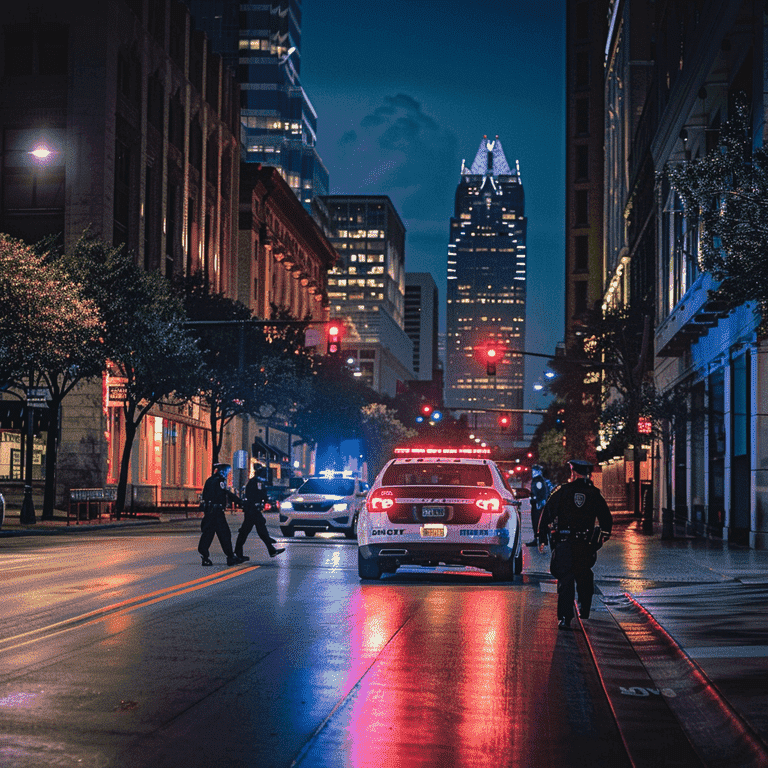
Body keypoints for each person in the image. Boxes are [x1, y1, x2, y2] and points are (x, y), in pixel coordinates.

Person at [537, 459, 612, 630]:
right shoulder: (594, 493)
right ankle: (584, 609)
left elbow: (547, 514)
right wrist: (603, 537)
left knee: (566, 580)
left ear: (573, 472)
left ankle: (565, 617)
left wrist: (542, 538)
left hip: (565, 543)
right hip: (585, 544)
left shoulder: (562, 491)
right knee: (584, 575)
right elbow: (606, 519)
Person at [235, 463, 285, 560]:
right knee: (247, 531)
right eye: (262, 471)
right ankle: (238, 551)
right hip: (252, 510)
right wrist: (265, 499)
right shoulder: (256, 482)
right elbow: (260, 495)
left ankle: (271, 550)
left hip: (253, 509)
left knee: (259, 530)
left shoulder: (256, 482)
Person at [198, 463, 243, 566]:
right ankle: (230, 557)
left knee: (208, 535)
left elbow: (205, 495)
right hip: (217, 512)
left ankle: (205, 556)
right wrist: (239, 501)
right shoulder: (219, 480)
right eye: (227, 472)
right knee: (225, 534)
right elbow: (224, 493)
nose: (227, 474)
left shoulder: (209, 480)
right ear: (222, 471)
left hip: (210, 512)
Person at [526, 464, 553, 547]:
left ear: (539, 472)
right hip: (540, 505)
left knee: (538, 523)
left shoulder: (538, 481)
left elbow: (540, 494)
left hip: (538, 506)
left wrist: (536, 502)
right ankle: (542, 540)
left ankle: (540, 540)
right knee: (540, 523)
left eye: (535, 471)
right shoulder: (540, 480)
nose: (533, 473)